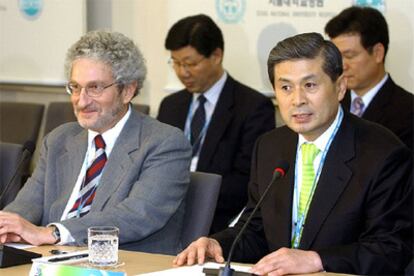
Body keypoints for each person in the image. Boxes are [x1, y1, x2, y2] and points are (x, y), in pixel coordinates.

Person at [173, 32, 412, 275]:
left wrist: (317, 260)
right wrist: (217, 243)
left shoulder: (383, 153)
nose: (297, 100)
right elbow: (256, 229)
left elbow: (391, 249)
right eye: (286, 87)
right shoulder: (270, 146)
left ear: (340, 87)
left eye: (310, 85)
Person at [0, 30, 192, 255]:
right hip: (52, 262)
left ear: (127, 90)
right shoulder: (59, 139)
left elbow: (138, 214)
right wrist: (8, 226)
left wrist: (53, 233)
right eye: (75, 87)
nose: (81, 101)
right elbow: (28, 203)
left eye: (95, 88)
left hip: (127, 263)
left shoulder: (164, 142)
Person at [157, 14, 275, 234]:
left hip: (218, 222)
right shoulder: (170, 105)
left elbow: (248, 182)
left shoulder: (253, 107)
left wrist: (186, 195)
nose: (182, 72)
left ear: (216, 56)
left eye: (191, 63)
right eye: (176, 63)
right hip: (164, 218)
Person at [325, 6, 414, 150]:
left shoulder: (407, 111)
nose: (342, 66)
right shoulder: (330, 103)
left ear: (378, 53)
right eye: (336, 56)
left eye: (349, 56)